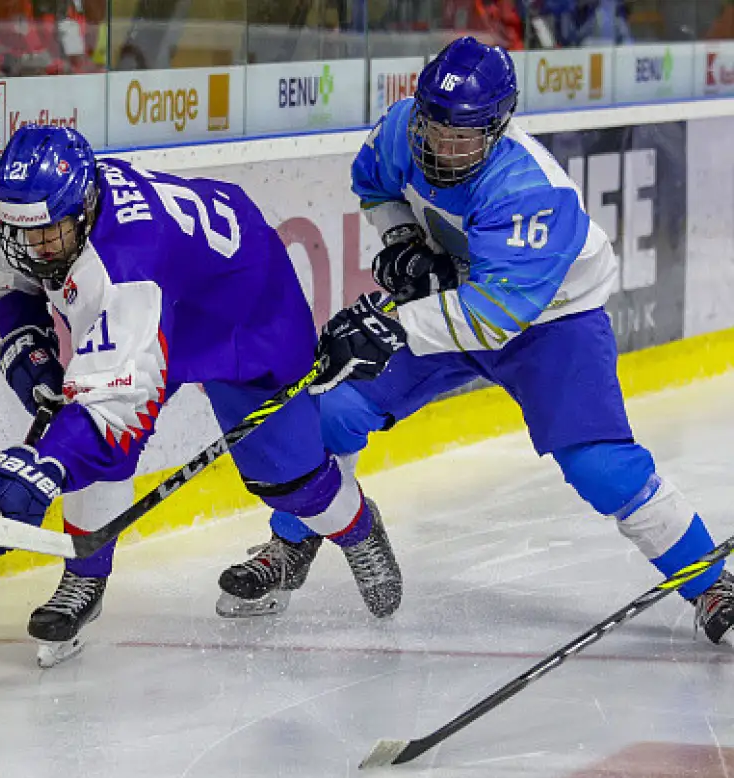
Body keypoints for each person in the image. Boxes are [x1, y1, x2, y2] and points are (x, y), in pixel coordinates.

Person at [281, 36, 734, 645]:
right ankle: (293, 538)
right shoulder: (401, 129)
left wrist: (391, 327)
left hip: (552, 322)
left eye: (460, 135)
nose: (441, 145)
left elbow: (492, 319)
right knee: (333, 406)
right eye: (432, 127)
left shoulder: (528, 189)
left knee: (601, 467)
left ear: (497, 129)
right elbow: (376, 187)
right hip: (462, 303)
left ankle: (710, 583)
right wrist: (403, 243)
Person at [0, 125, 403, 667]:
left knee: (292, 481)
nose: (33, 248)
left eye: (49, 236)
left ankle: (359, 527)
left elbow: (110, 415)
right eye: (22, 234)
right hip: (170, 290)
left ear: (83, 211)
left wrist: (41, 470)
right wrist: (27, 348)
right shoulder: (28, 210)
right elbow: (3, 283)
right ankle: (84, 580)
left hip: (242, 308)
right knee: (91, 434)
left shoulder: (124, 268)